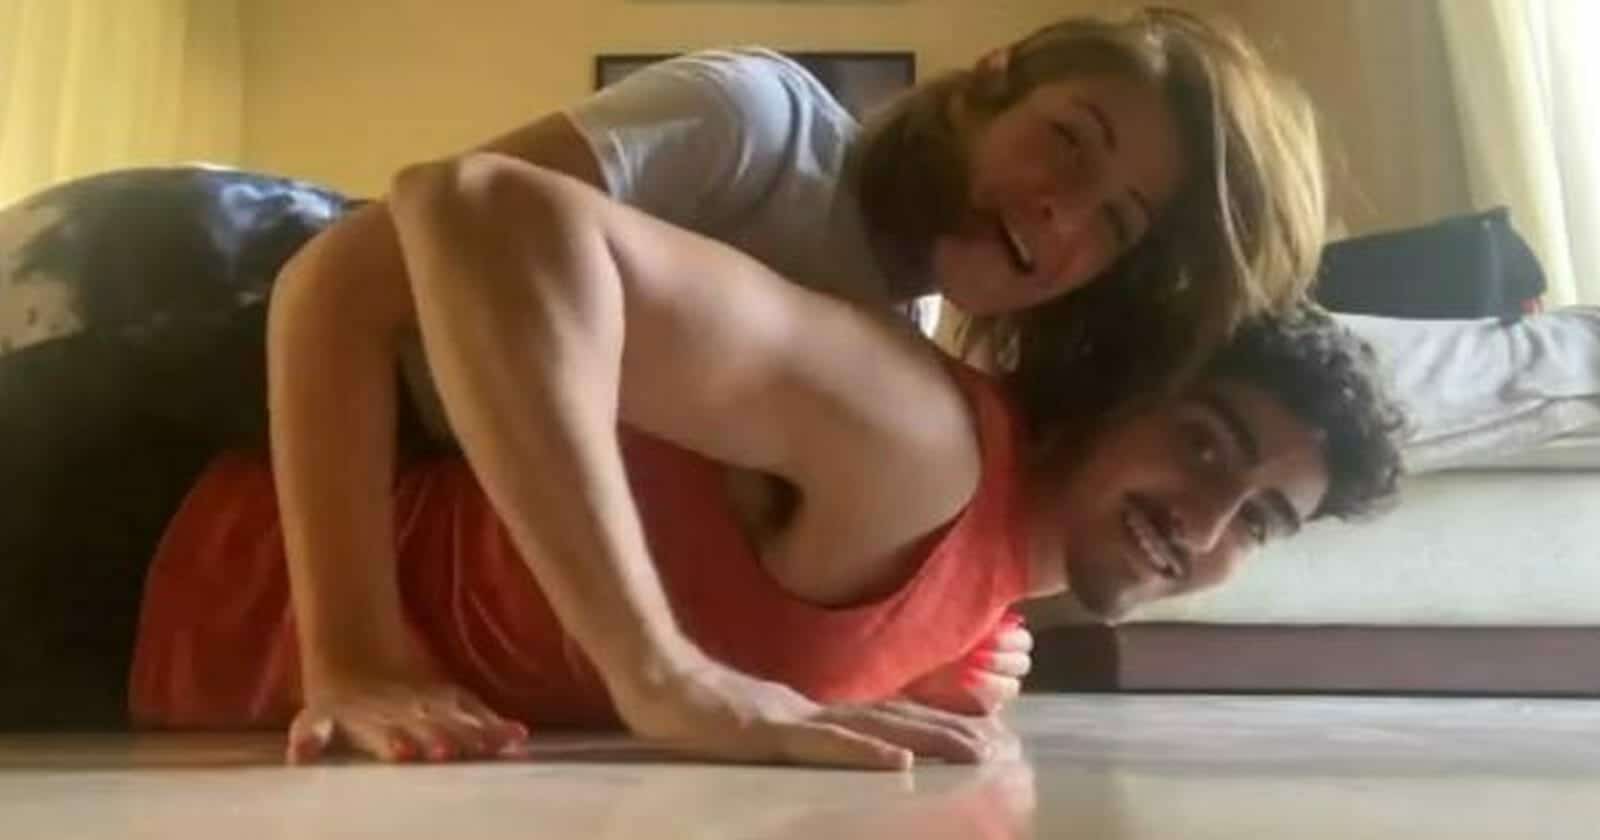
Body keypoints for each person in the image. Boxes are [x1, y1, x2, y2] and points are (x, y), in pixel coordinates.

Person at [262, 7, 1328, 766]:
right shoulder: (757, 125)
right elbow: (342, 279)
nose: (1062, 210)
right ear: (991, 80)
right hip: (236, 342)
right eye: (1067, 142)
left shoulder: (899, 326)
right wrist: (352, 651)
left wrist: (934, 646)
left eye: (1116, 224)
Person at [112, 157, 1398, 769]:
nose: (1205, 520)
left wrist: (963, 659)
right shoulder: (921, 444)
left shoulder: (981, 603)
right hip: (127, 553)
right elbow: (486, 208)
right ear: (1121, 387)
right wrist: (661, 673)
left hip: (179, 671)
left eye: (1260, 519)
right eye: (1204, 443)